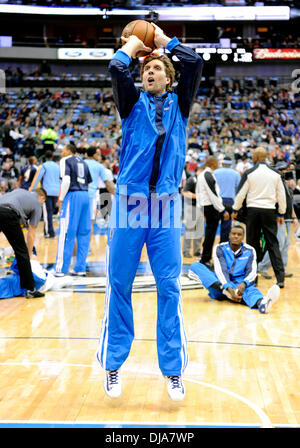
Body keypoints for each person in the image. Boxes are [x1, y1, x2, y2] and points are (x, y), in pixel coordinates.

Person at [97, 24, 202, 402]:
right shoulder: (131, 102)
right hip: (130, 203)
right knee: (119, 283)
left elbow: (195, 61)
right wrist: (131, 45)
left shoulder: (182, 104)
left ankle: (173, 372)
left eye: (156, 69)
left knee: (169, 287)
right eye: (145, 71)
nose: (149, 73)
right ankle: (112, 365)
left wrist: (159, 40)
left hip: (166, 205)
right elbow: (115, 68)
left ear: (169, 77)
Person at [188, 225, 280, 314]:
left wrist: (244, 283)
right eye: (233, 234)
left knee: (252, 291)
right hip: (220, 287)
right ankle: (229, 294)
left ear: (243, 237)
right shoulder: (220, 248)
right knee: (196, 266)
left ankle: (262, 304)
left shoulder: (250, 250)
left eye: (239, 234)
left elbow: (252, 271)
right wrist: (228, 288)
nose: (236, 236)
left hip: (240, 286)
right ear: (229, 235)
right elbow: (221, 270)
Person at [232, 147, 286, 288]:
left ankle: (252, 278)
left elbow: (241, 194)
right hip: (269, 211)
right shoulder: (275, 173)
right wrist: (281, 212)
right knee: (273, 243)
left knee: (252, 245)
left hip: (253, 211)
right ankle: (280, 279)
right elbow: (282, 195)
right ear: (266, 157)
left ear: (255, 157)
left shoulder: (249, 173)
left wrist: (235, 209)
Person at [0, 187, 47, 298]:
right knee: (22, 252)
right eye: (43, 201)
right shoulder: (37, 204)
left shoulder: (19, 191)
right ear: (42, 197)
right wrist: (29, 254)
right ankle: (30, 289)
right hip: (9, 214)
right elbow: (31, 233)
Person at [54, 143, 92, 277]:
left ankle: (61, 269)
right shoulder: (83, 162)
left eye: (63, 150)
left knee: (66, 232)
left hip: (72, 196)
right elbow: (89, 182)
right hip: (85, 195)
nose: (61, 152)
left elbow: (66, 181)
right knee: (84, 233)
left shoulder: (65, 160)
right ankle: (80, 268)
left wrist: (61, 199)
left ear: (69, 151)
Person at [258, 162, 298, 279]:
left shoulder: (286, 185)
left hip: (288, 218)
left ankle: (282, 269)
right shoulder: (274, 183)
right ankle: (262, 266)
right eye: (285, 170)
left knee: (286, 245)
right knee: (278, 244)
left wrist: (294, 217)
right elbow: (274, 200)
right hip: (278, 217)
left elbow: (290, 204)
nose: (287, 172)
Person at [196, 155, 230, 267]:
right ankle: (205, 259)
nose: (218, 164)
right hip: (211, 206)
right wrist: (222, 210)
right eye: (216, 162)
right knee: (210, 234)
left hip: (208, 205)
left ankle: (205, 257)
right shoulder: (207, 175)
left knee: (209, 233)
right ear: (212, 163)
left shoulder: (206, 175)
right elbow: (213, 195)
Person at [84, 147, 115, 244]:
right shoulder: (99, 166)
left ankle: (74, 249)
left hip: (78, 193)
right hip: (91, 195)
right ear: (94, 155)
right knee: (89, 223)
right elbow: (108, 184)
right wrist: (118, 195)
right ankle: (86, 248)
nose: (99, 156)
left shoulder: (81, 163)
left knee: (76, 223)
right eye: (98, 154)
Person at [29, 150, 61, 238]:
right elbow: (60, 179)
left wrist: (32, 189)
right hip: (56, 192)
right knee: (50, 213)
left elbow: (37, 178)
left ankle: (49, 232)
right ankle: (47, 230)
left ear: (45, 158)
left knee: (47, 213)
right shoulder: (57, 166)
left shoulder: (44, 166)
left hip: (47, 192)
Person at [214, 156, 240, 242]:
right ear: (231, 164)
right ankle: (223, 245)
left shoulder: (215, 172)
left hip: (216, 200)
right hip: (229, 201)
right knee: (226, 225)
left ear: (222, 163)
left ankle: (209, 248)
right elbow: (238, 189)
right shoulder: (236, 174)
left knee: (212, 225)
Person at [182, 164, 204, 258]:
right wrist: (197, 196)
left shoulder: (203, 181)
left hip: (201, 208)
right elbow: (185, 192)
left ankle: (197, 251)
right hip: (192, 207)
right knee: (189, 230)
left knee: (199, 230)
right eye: (201, 171)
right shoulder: (192, 180)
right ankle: (186, 251)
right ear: (197, 171)